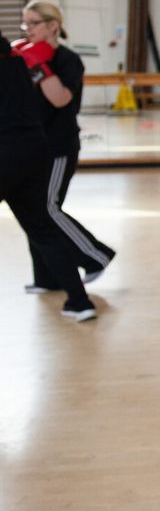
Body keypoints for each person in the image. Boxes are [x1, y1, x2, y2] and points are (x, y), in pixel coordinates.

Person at [17, 0, 116, 296]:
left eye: (33, 23)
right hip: (32, 146)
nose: (27, 29)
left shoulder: (68, 60)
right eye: (25, 23)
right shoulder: (23, 55)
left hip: (58, 147)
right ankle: (47, 277)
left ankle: (97, 256)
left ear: (53, 26)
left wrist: (39, 66)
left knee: (47, 208)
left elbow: (59, 99)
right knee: (33, 211)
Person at [0, 32, 97, 321]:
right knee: (42, 228)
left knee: (42, 226)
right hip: (34, 150)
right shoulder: (22, 61)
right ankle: (80, 302)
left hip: (5, 151)